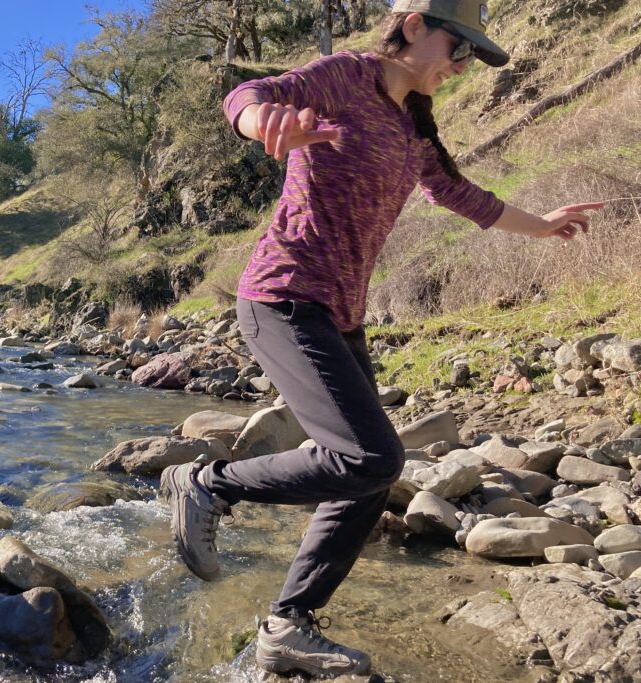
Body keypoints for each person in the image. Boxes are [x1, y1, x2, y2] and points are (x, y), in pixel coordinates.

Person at [161, 0, 604, 676]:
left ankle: (288, 623)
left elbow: (462, 196)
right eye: (459, 49)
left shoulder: (411, 125)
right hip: (283, 298)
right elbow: (248, 95)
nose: (462, 67)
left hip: (340, 315)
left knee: (370, 476)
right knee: (369, 456)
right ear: (417, 24)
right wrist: (261, 121)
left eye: (471, 59)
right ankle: (206, 482)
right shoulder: (347, 76)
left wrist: (543, 225)